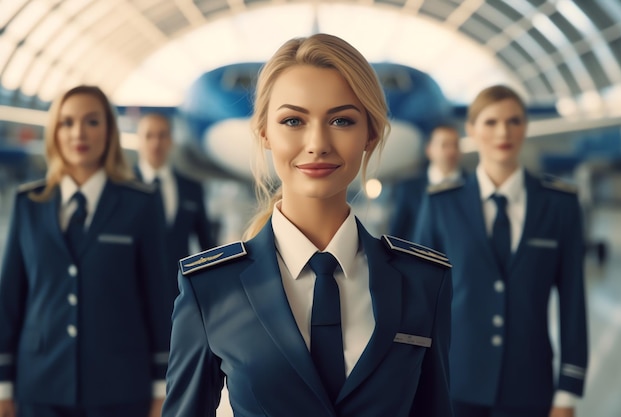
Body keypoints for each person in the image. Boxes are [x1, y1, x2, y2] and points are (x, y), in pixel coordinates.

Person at [162, 33, 453, 417]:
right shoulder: (210, 288)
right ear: (264, 133)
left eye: (341, 120)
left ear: (372, 133)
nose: (317, 143)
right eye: (293, 120)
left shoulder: (424, 282)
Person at [414, 85, 588, 417]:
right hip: (456, 381)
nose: (503, 132)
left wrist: (567, 391)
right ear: (472, 130)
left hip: (530, 385)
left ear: (525, 127)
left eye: (514, 121)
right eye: (491, 122)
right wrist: (418, 379)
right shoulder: (441, 203)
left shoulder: (559, 205)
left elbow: (573, 302)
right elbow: (423, 299)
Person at [0, 86, 171, 417]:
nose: (78, 132)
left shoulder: (141, 205)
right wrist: (3, 386)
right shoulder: (28, 205)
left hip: (121, 387)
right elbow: (9, 301)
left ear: (109, 130)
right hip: (38, 386)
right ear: (54, 132)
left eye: (91, 122)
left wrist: (161, 387)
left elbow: (159, 301)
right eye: (67, 122)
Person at [134, 113, 217, 306]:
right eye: (149, 136)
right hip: (133, 294)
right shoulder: (120, 188)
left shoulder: (191, 189)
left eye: (162, 135)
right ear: (139, 141)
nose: (156, 143)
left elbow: (206, 243)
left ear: (171, 141)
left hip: (179, 293)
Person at [389, 123, 462, 238]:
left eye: (455, 145)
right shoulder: (409, 188)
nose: (451, 151)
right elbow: (396, 234)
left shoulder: (471, 185)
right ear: (429, 150)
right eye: (444, 145)